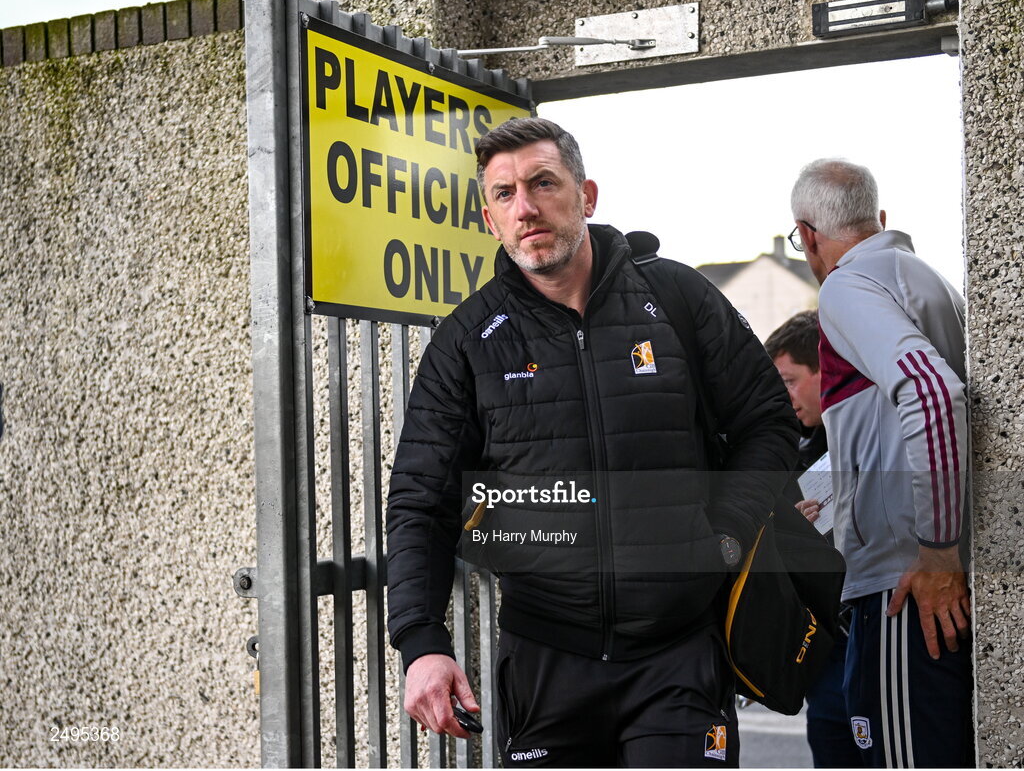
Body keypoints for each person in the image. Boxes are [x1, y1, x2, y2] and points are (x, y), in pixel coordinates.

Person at [385, 117, 800, 767]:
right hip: (547, 662)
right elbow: (420, 500)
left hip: (678, 654)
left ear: (587, 196)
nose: (525, 207)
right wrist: (421, 641)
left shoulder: (677, 298)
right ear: (490, 220)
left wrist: (724, 532)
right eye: (504, 194)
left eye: (543, 183)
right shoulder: (466, 341)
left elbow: (768, 422)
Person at [790, 159, 972, 768]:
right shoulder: (923, 277)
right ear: (879, 218)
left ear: (807, 235)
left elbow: (933, 394)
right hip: (927, 582)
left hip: (905, 588)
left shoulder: (847, 284)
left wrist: (938, 552)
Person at [765, 310, 862, 768]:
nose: (784, 396)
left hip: (867, 628)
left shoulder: (868, 440)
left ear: (827, 370)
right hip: (823, 643)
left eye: (789, 380)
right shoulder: (797, 450)